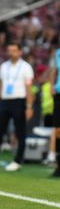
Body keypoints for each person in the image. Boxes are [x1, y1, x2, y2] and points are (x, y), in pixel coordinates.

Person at [0, 43, 34, 172]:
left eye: (14, 50)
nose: (11, 53)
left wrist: (29, 106)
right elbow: (0, 85)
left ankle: (17, 161)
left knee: (20, 132)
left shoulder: (26, 67)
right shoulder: (4, 66)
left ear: (20, 52)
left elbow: (29, 88)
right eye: (9, 50)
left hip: (19, 101)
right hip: (4, 101)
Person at [49, 46, 60, 177]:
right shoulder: (57, 53)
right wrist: (51, 85)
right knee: (57, 130)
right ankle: (58, 163)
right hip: (59, 94)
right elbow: (53, 70)